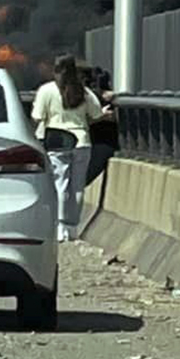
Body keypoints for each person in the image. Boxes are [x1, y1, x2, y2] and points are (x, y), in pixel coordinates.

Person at [31, 53, 110, 242]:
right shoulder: (83, 91)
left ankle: (60, 227)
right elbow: (97, 114)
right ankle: (73, 228)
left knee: (60, 184)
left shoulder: (46, 90)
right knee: (77, 186)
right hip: (82, 141)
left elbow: (37, 117)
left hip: (57, 142)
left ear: (55, 71)